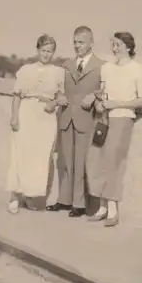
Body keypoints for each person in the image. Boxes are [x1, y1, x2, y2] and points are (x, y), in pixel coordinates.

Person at [86, 32, 142, 227]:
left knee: (114, 162)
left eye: (119, 45)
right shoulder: (106, 69)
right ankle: (102, 207)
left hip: (122, 119)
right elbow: (102, 93)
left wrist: (116, 104)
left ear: (129, 47)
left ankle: (113, 210)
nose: (115, 48)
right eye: (113, 44)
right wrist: (99, 104)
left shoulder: (139, 71)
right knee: (95, 159)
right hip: (103, 120)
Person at [47, 26, 104, 217]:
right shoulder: (66, 65)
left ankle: (79, 204)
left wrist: (95, 97)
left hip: (86, 120)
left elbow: (106, 91)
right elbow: (56, 88)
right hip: (66, 117)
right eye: (75, 42)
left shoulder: (101, 66)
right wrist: (60, 95)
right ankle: (63, 200)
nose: (77, 46)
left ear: (91, 43)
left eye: (81, 42)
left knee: (81, 163)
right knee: (65, 161)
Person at [6, 34, 67, 214]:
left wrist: (53, 103)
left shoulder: (58, 72)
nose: (46, 54)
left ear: (53, 53)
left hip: (46, 118)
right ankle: (15, 196)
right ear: (37, 50)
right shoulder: (25, 70)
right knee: (20, 153)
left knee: (40, 158)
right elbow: (17, 95)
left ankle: (31, 196)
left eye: (49, 51)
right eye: (43, 50)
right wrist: (14, 117)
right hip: (27, 112)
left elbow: (62, 97)